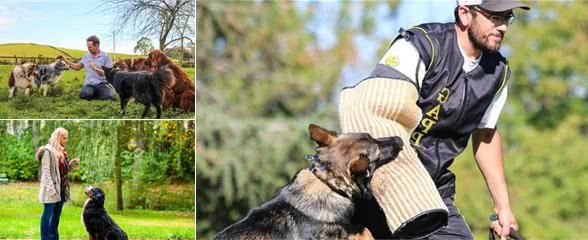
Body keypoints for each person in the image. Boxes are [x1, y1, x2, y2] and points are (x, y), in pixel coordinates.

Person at [342, 0, 530, 239]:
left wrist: (502, 206)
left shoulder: (498, 72)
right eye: (495, 17)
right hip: (374, 189)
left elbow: (486, 134)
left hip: (434, 192)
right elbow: (371, 111)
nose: (503, 27)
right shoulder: (420, 46)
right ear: (465, 14)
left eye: (507, 18)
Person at [37, 127, 80, 240]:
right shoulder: (47, 152)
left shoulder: (62, 152)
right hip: (51, 189)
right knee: (48, 214)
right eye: (64, 138)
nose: (66, 140)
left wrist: (72, 163)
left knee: (56, 215)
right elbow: (45, 173)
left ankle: (54, 237)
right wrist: (52, 190)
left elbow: (64, 171)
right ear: (58, 138)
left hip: (62, 188)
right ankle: (45, 238)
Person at [59, 35, 114, 100]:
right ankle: (94, 93)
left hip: (102, 83)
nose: (88, 49)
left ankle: (102, 92)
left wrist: (95, 68)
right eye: (87, 47)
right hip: (89, 84)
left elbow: (107, 73)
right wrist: (65, 60)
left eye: (90, 47)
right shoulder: (86, 56)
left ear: (97, 45)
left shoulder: (106, 56)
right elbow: (77, 67)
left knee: (108, 97)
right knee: (85, 95)